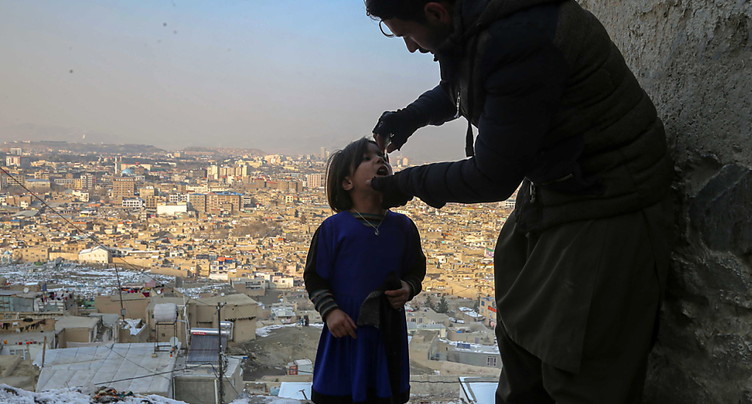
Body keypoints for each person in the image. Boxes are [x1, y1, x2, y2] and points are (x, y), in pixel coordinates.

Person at [364, 0, 673, 403]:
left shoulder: (520, 38)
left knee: (575, 363)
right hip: (559, 187)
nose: (410, 46)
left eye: (407, 33)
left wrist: (405, 184)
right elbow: (465, 85)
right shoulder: (481, 22)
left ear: (436, 11)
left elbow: (491, 176)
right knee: (517, 336)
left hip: (608, 196)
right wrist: (408, 118)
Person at [304, 138, 426, 404]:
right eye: (367, 158)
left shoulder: (403, 227)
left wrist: (408, 288)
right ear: (347, 182)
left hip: (387, 330)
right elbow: (314, 276)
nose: (380, 160)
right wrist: (331, 312)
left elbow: (416, 269)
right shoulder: (333, 229)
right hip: (347, 328)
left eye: (382, 156)